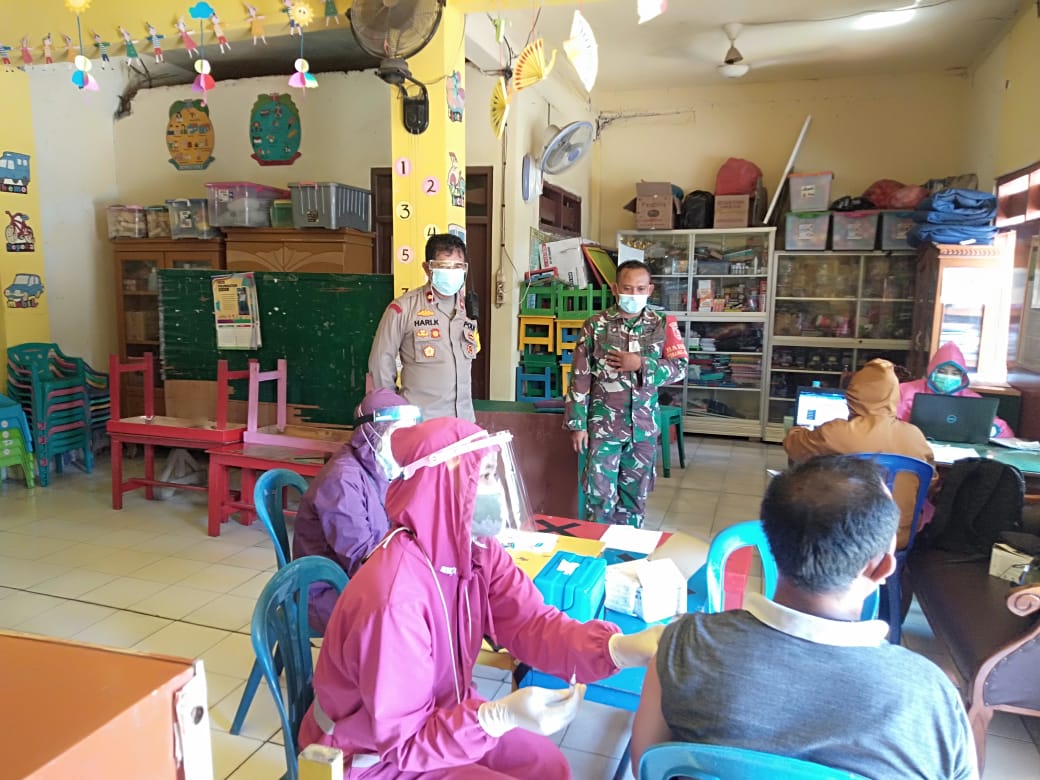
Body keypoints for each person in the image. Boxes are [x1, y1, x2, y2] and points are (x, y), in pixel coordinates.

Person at [298, 417, 664, 778]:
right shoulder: (396, 600)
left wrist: (617, 648)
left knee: (547, 766)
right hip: (369, 755)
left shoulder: (476, 555)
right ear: (442, 488)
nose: (497, 489)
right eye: (486, 476)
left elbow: (532, 623)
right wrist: (494, 718)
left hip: (440, 720)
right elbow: (404, 742)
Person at [630, 456, 978, 779]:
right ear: (883, 568)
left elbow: (646, 766)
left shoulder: (684, 644)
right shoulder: (931, 696)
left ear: (770, 544)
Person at [564, 260, 688, 526]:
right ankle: (597, 549)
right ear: (614, 288)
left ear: (650, 289)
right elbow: (580, 377)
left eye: (640, 289)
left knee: (635, 500)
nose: (633, 294)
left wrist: (641, 364)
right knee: (599, 498)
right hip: (603, 428)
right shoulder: (595, 325)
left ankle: (628, 548)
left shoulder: (663, 324)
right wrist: (577, 424)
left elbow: (680, 368)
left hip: (643, 429)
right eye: (627, 288)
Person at [291, 388, 421, 630]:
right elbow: (362, 560)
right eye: (397, 434)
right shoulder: (342, 481)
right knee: (414, 613)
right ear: (373, 433)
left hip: (356, 578)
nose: (405, 444)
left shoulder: (379, 468)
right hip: (328, 590)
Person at [783, 358, 936, 550]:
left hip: (847, 536)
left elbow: (794, 446)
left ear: (853, 395)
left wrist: (798, 430)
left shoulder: (838, 432)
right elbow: (930, 481)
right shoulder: (914, 435)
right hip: (899, 537)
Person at [368, 234, 478, 422]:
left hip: (463, 422)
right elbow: (380, 363)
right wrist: (392, 413)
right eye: (444, 266)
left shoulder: (467, 310)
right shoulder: (403, 308)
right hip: (421, 423)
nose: (452, 272)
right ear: (427, 268)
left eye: (458, 266)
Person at [897, 341, 1013, 437]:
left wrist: (992, 429)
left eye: (955, 373)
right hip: (913, 443)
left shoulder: (972, 399)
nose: (948, 377)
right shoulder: (905, 390)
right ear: (932, 371)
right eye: (942, 371)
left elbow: (1003, 430)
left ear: (962, 376)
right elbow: (889, 418)